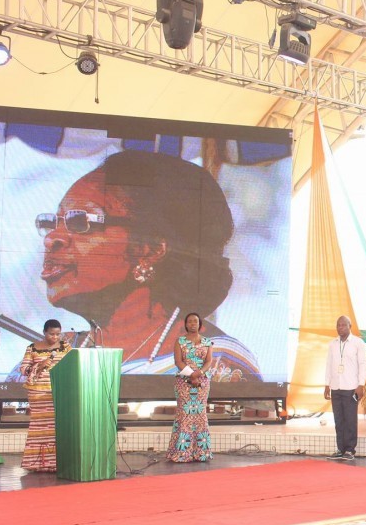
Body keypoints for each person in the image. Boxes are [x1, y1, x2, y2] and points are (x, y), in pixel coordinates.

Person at [31, 150, 260, 381]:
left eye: (80, 221)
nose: (51, 238)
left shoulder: (215, 363)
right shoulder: (52, 356)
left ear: (149, 250)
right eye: (53, 222)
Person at [18, 319, 72, 471]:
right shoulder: (33, 348)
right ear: (44, 332)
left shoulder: (65, 347)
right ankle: (37, 463)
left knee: (57, 426)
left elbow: (73, 364)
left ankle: (58, 463)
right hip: (38, 392)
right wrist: (39, 366)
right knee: (39, 427)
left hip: (60, 392)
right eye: (51, 334)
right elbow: (23, 369)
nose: (54, 337)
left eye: (57, 334)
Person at [167, 312, 214, 463]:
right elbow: (178, 361)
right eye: (190, 321)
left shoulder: (207, 342)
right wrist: (190, 375)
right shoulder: (179, 341)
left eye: (195, 321)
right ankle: (181, 453)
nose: (193, 323)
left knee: (200, 416)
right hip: (183, 382)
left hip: (202, 382)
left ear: (200, 324)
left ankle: (201, 453)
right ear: (186, 324)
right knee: (185, 415)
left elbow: (209, 362)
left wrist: (198, 373)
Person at [323, 316, 366, 461]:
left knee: (350, 419)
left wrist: (361, 385)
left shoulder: (358, 343)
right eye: (338, 325)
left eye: (343, 325)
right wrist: (326, 385)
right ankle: (340, 449)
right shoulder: (333, 344)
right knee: (338, 419)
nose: (340, 327)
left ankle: (350, 450)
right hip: (336, 386)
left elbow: (362, 364)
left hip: (351, 387)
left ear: (350, 326)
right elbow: (329, 365)